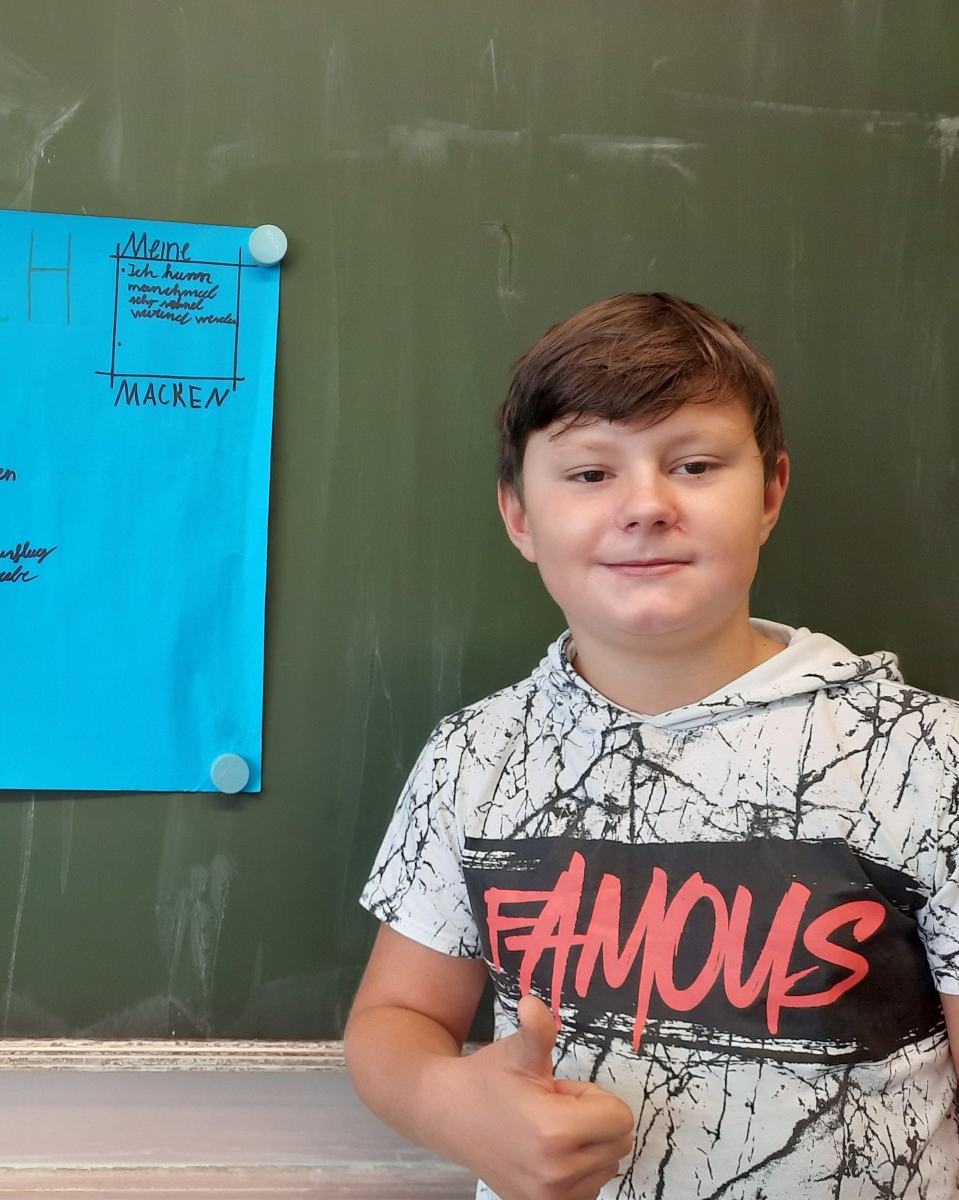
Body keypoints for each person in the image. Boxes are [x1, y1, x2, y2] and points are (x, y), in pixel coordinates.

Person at [344, 292, 959, 1199]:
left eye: (695, 465)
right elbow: (396, 1016)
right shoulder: (473, 755)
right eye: (591, 473)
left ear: (770, 493)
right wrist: (448, 1103)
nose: (646, 506)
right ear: (520, 517)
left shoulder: (926, 756)